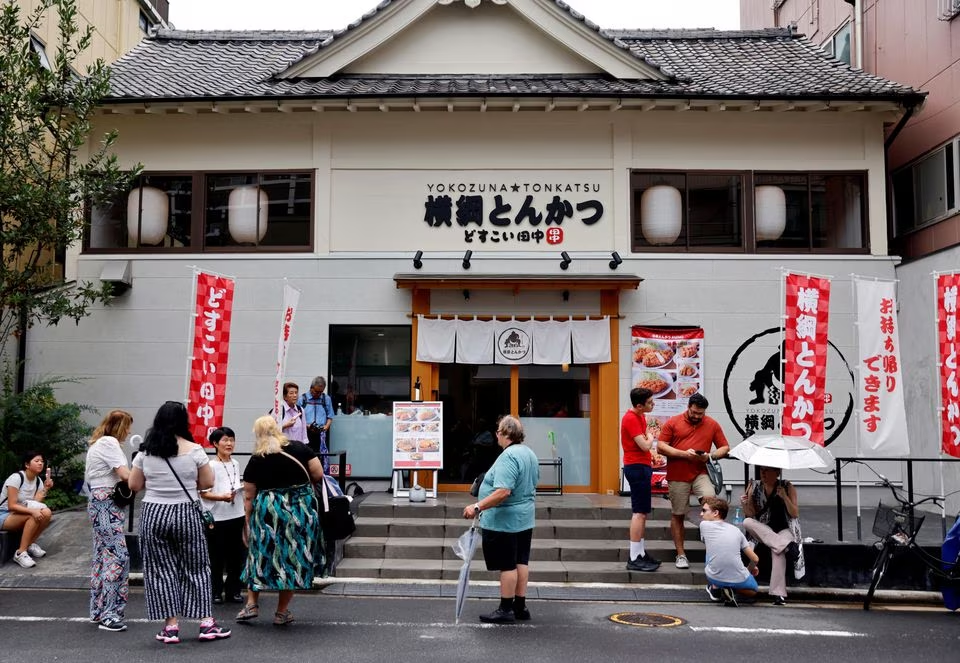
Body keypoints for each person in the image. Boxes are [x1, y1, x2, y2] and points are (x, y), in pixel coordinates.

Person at [127, 401, 231, 644]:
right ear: (183, 422)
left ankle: (171, 627)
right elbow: (206, 483)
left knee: (160, 571)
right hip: (186, 512)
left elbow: (134, 485)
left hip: (154, 513)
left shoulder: (145, 452)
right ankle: (206, 623)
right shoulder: (194, 450)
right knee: (196, 567)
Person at [237, 415, 326, 627]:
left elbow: (249, 494)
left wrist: (247, 522)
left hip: (269, 511)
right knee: (292, 556)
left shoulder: (258, 458)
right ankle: (281, 612)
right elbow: (319, 473)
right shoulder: (299, 448)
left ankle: (251, 604)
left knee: (259, 554)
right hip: (300, 510)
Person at [462, 415, 539, 624]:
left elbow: (503, 491)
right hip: (525, 517)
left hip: (505, 520)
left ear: (505, 433)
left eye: (498, 430)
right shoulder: (529, 453)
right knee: (521, 561)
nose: (496, 434)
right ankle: (520, 606)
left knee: (507, 565)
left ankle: (505, 609)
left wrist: (476, 506)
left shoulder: (508, 456)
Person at [655, 393, 730, 569]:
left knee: (712, 504)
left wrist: (710, 456)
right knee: (678, 513)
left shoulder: (712, 424)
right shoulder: (673, 422)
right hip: (678, 474)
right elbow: (660, 446)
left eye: (700, 414)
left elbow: (725, 447)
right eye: (694, 412)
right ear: (688, 407)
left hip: (700, 472)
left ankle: (714, 549)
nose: (697, 416)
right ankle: (681, 554)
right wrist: (684, 454)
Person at [84, 410, 135, 631]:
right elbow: (125, 475)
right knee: (118, 557)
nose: (129, 431)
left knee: (102, 558)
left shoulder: (98, 443)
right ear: (120, 426)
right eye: (128, 426)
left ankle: (98, 610)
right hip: (106, 504)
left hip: (98, 503)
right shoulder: (108, 443)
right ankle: (110, 614)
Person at [741, 466, 803, 605]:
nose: (762, 473)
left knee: (777, 552)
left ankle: (777, 593)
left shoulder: (787, 487)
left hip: (784, 529)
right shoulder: (755, 487)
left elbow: (794, 513)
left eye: (766, 470)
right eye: (761, 469)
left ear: (777, 472)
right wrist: (745, 504)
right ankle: (787, 547)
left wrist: (785, 497)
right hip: (764, 529)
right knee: (746, 522)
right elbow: (751, 514)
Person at [200, 427, 246, 605]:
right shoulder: (211, 466)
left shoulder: (235, 463)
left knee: (236, 556)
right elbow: (203, 492)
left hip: (236, 514)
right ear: (215, 444)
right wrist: (222, 497)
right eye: (225, 440)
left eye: (232, 440)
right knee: (216, 556)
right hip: (217, 517)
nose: (229, 444)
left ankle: (234, 590)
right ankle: (216, 591)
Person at [621, 387, 661, 572]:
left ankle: (641, 553)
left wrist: (650, 449)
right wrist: (652, 436)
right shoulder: (630, 418)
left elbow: (644, 446)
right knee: (638, 512)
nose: (653, 404)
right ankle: (634, 556)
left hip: (642, 466)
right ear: (639, 405)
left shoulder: (640, 416)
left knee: (643, 511)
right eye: (650, 402)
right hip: (636, 467)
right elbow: (644, 444)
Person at [699, 496, 759, 607]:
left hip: (713, 576)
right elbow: (755, 559)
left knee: (710, 551)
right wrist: (749, 569)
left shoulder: (704, 525)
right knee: (754, 590)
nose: (701, 514)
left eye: (704, 511)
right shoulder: (736, 530)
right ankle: (731, 588)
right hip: (739, 577)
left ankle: (715, 587)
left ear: (715, 513)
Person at [0, 450, 54, 569]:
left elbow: (34, 504)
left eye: (42, 461)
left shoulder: (38, 481)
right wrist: (32, 511)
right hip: (4, 514)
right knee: (33, 515)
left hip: (18, 513)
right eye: (37, 461)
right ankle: (20, 553)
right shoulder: (16, 478)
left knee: (47, 513)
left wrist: (45, 488)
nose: (40, 463)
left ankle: (29, 544)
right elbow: (11, 505)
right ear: (27, 464)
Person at [300, 376, 335, 468]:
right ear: (311, 388)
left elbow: (330, 416)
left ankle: (320, 477)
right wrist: (307, 426)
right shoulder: (303, 399)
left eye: (321, 392)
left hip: (321, 433)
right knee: (306, 455)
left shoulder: (326, 399)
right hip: (306, 432)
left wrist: (326, 426)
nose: (318, 394)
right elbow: (297, 417)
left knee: (321, 456)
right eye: (316, 391)